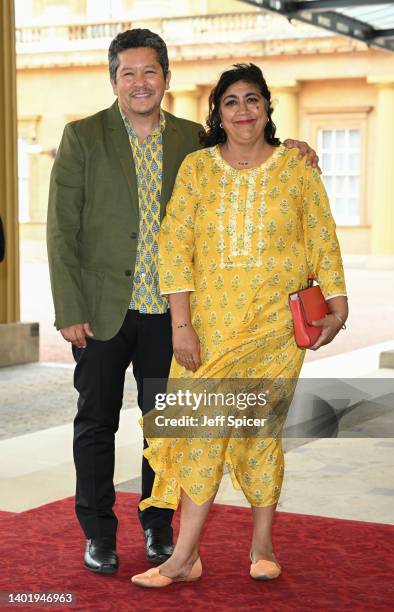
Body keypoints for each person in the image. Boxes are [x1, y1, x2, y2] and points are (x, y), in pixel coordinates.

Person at [47, 28, 320, 575]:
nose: (140, 82)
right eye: (129, 72)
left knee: (167, 427)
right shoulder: (82, 136)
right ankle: (99, 533)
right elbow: (61, 229)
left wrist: (293, 147)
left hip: (173, 316)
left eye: (151, 72)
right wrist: (68, 308)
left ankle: (158, 530)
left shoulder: (193, 138)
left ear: (167, 79)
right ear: (114, 80)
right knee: (96, 423)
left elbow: (242, 152)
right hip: (102, 309)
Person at [131, 63, 348, 588]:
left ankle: (262, 545)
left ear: (268, 108)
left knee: (259, 434)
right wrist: (180, 324)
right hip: (211, 328)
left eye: (253, 99)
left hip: (276, 328)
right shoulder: (198, 169)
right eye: (232, 102)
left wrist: (338, 309)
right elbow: (174, 246)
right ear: (218, 114)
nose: (244, 110)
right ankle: (186, 557)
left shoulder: (297, 168)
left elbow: (322, 237)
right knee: (201, 430)